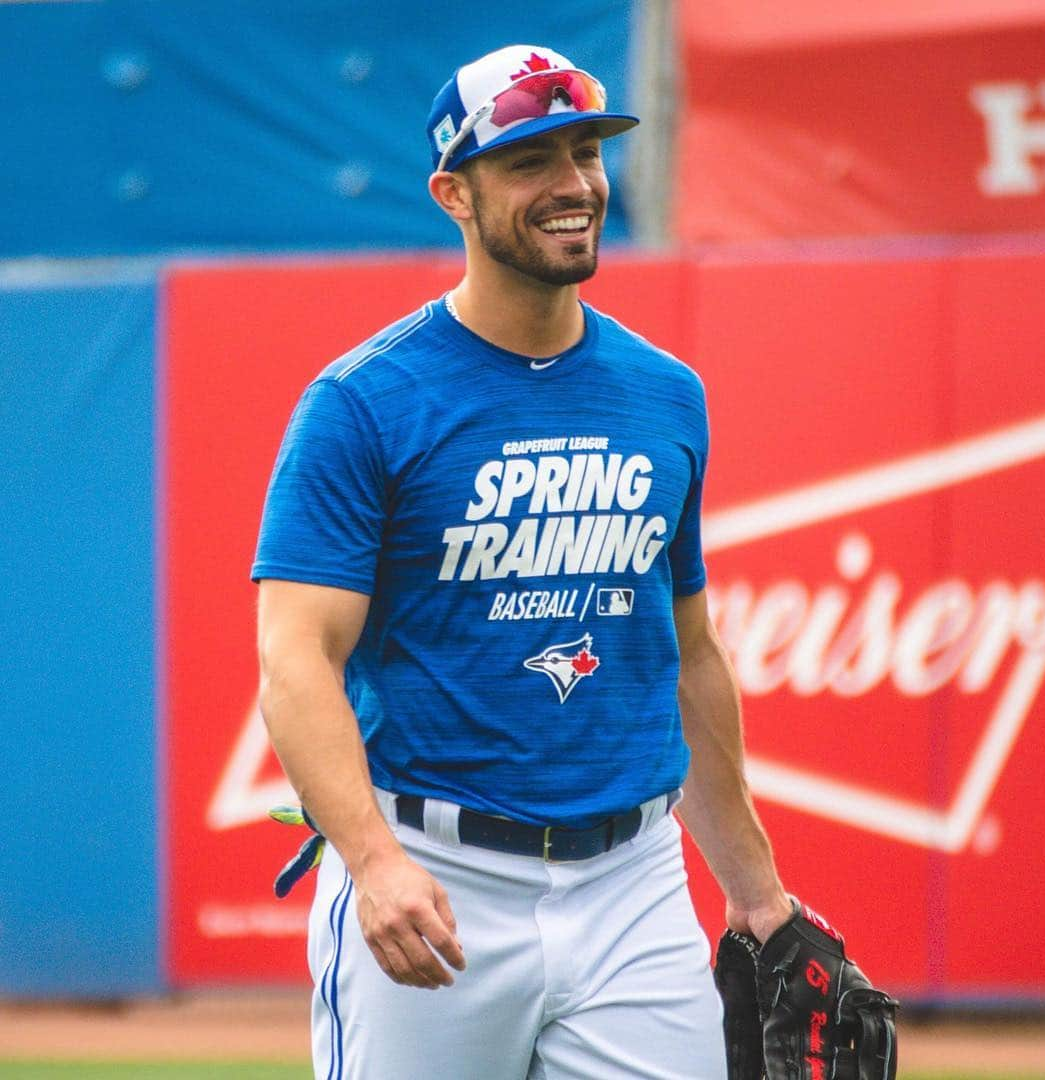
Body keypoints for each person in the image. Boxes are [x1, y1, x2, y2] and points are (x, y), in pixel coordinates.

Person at [253, 43, 791, 1080]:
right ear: (454, 192)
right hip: (438, 880)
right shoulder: (364, 403)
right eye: (531, 159)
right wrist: (373, 862)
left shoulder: (665, 392)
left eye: (586, 150)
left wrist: (757, 892)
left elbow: (686, 654)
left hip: (634, 883)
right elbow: (296, 661)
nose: (574, 184)